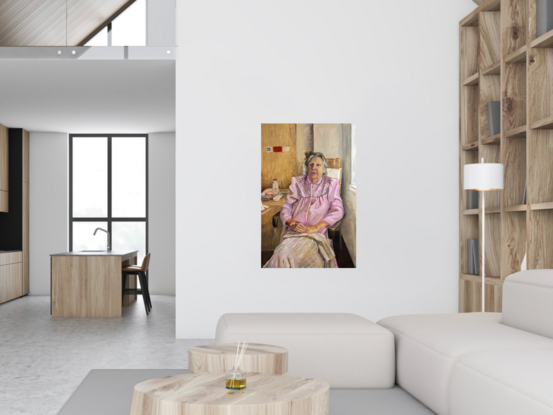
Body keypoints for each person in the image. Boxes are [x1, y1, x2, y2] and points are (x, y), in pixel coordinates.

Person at [263, 151, 344, 268]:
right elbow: (286, 207)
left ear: (324, 169)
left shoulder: (331, 184)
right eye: (311, 165)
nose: (314, 168)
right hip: (294, 232)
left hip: (316, 234)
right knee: (281, 255)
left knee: (297, 257)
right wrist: (291, 223)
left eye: (318, 165)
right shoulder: (298, 183)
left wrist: (315, 227)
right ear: (306, 168)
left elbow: (338, 211)